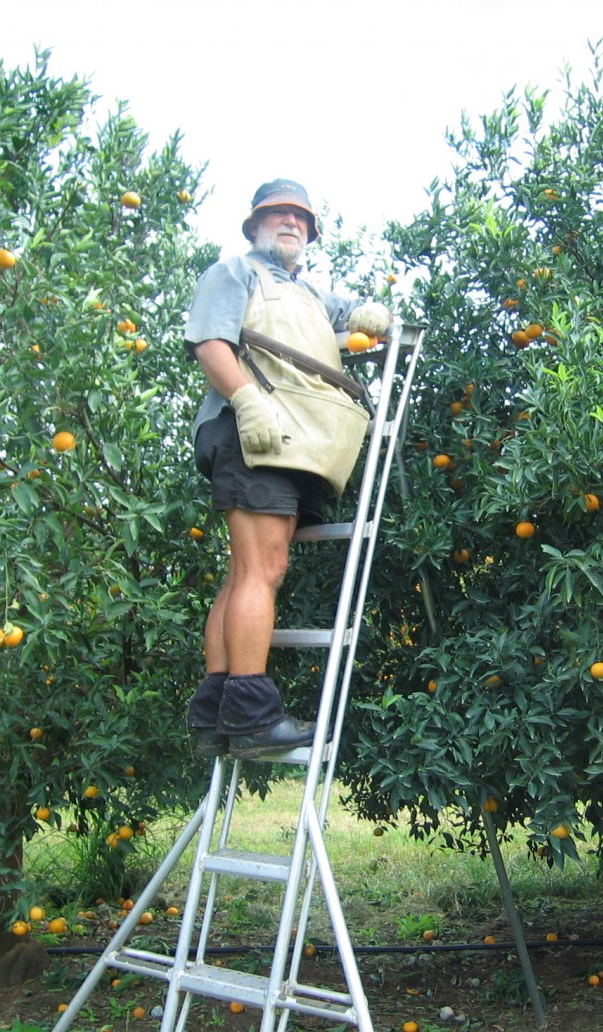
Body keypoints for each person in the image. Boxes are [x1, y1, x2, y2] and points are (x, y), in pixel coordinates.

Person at [182, 179, 389, 759]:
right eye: (278, 215)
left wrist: (369, 312)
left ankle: (216, 711)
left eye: (300, 217)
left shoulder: (309, 293)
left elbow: (347, 315)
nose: (291, 223)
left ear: (310, 233)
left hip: (295, 439)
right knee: (263, 569)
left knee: (244, 571)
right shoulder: (234, 271)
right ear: (255, 225)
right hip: (252, 431)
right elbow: (210, 343)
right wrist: (246, 400)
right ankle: (251, 716)